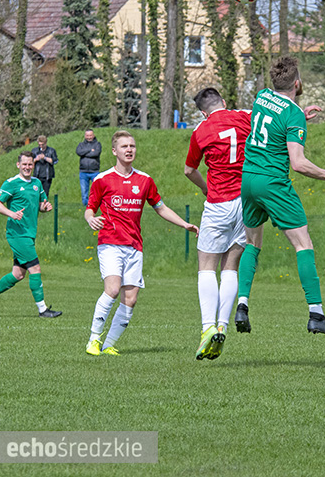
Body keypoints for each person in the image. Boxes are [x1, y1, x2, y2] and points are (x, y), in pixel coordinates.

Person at [237, 56, 325, 338]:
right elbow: (298, 163)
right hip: (272, 182)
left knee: (252, 242)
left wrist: (298, 114)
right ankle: (316, 314)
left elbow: (276, 117)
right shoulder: (293, 114)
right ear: (297, 83)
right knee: (303, 244)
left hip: (248, 178)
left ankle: (242, 305)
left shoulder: (262, 97)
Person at [84, 131, 198, 356]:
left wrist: (184, 224)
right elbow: (90, 208)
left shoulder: (144, 180)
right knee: (113, 289)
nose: (129, 150)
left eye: (132, 146)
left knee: (131, 298)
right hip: (110, 243)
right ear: (114, 151)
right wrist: (90, 219)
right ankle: (93, 340)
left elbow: (161, 208)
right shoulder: (102, 180)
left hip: (134, 245)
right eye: (124, 146)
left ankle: (108, 345)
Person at [184, 87, 252, 361]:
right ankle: (222, 325)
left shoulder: (201, 131)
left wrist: (204, 188)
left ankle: (207, 328)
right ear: (224, 102)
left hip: (219, 202)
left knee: (206, 267)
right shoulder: (245, 117)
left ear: (203, 111)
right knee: (231, 267)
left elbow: (189, 170)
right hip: (246, 202)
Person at [0, 151, 62, 318]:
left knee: (18, 274)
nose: (27, 167)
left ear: (34, 165)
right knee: (35, 268)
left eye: (30, 164)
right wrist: (11, 214)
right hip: (17, 235)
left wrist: (45, 208)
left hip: (29, 233)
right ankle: (43, 309)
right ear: (18, 165)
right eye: (24, 164)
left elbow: (40, 205)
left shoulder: (37, 183)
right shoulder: (12, 183)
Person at [77, 129, 102, 206]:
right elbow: (78, 152)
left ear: (93, 135)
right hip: (83, 171)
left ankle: (96, 204)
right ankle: (86, 206)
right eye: (87, 135)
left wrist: (85, 152)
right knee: (84, 191)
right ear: (85, 136)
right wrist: (89, 150)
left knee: (96, 190)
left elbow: (95, 153)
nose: (89, 137)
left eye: (90, 135)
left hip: (94, 171)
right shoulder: (81, 145)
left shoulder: (97, 144)